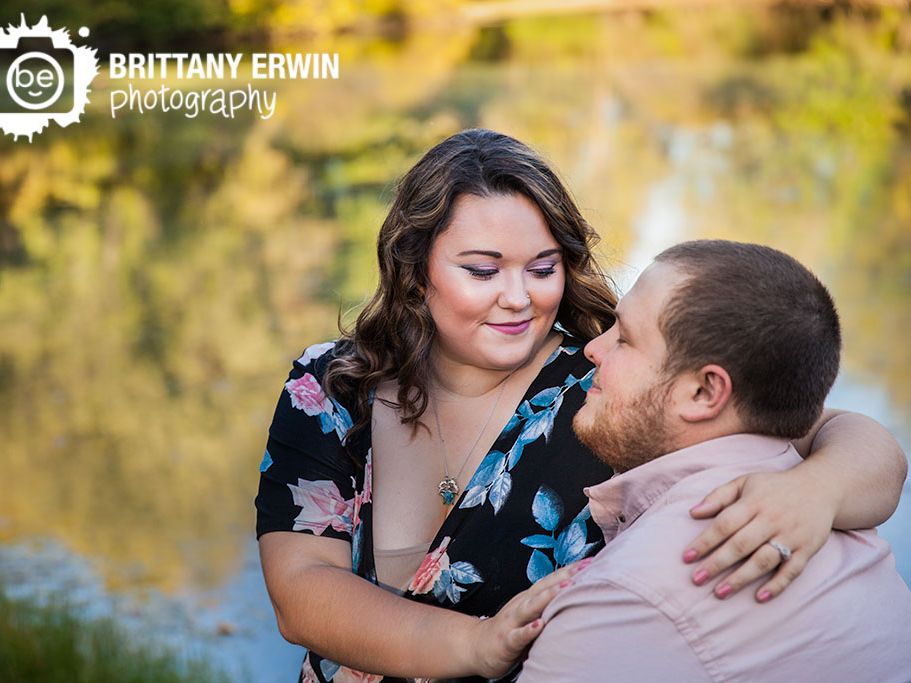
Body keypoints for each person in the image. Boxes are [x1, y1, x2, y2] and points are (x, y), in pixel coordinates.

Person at [255, 130, 908, 683]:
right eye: (484, 269)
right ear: (415, 270)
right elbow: (302, 590)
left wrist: (817, 489)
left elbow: (824, 425)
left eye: (542, 267)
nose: (519, 298)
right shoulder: (336, 385)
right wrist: (475, 646)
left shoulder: (605, 388)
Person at [520, 240, 911, 683]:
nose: (594, 349)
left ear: (705, 393)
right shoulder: (826, 498)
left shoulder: (623, 599)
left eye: (624, 339)